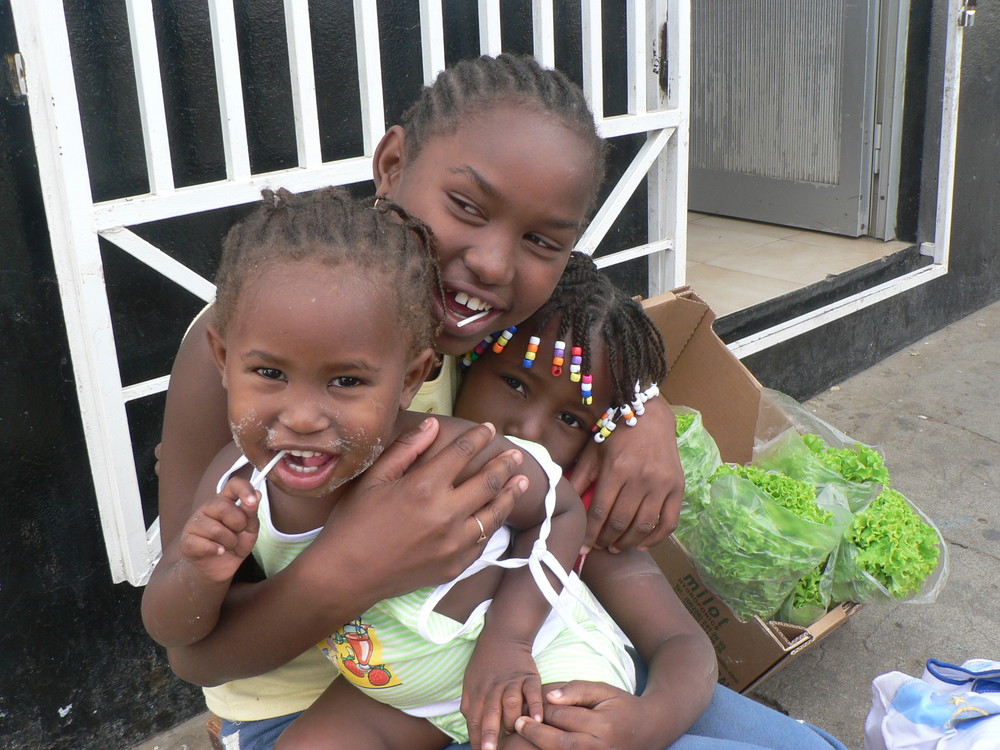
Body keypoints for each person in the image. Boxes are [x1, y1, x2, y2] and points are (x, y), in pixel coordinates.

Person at [155, 54, 685, 750]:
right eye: (466, 207)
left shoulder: (486, 309)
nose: (494, 263)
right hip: (308, 703)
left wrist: (642, 409)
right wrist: (356, 565)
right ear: (393, 163)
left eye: (539, 242)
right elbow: (192, 651)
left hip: (493, 651)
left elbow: (599, 323)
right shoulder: (254, 343)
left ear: (416, 375)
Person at [449, 252, 850, 750]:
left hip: (598, 680)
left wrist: (646, 722)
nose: (527, 430)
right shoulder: (419, 475)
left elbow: (682, 644)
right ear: (466, 361)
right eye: (514, 383)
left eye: (571, 420)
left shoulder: (574, 502)